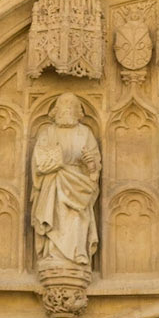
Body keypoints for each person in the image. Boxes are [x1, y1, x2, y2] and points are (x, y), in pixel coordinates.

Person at [29, 95, 101, 271]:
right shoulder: (48, 132)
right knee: (55, 217)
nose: (67, 109)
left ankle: (77, 254)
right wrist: (54, 160)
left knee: (76, 217)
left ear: (79, 112)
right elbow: (39, 160)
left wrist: (91, 164)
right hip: (53, 182)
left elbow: (94, 166)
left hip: (78, 182)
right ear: (56, 111)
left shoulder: (85, 133)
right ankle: (53, 254)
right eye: (63, 106)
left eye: (72, 106)